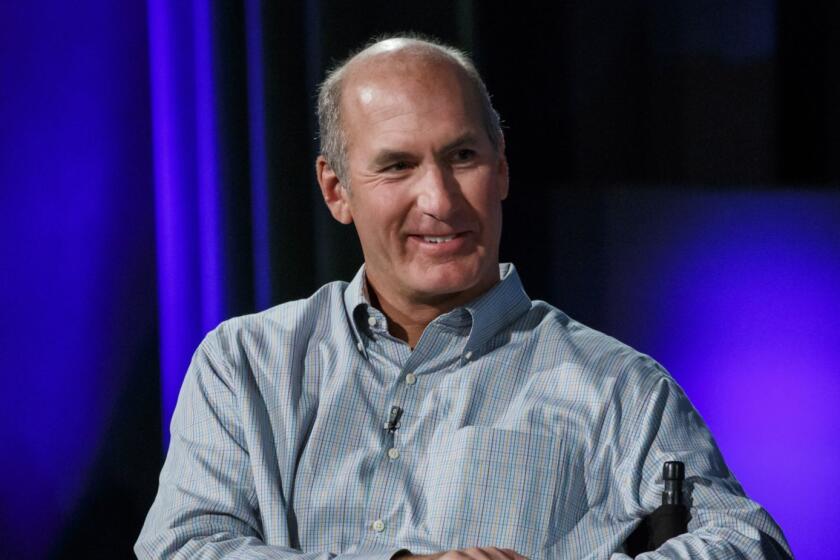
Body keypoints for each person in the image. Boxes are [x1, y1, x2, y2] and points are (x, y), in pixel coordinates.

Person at [136, 35, 792, 560]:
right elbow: (184, 547)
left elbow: (746, 545)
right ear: (337, 191)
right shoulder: (244, 363)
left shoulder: (617, 387)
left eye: (463, 156)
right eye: (398, 166)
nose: (441, 200)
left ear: (501, 167)